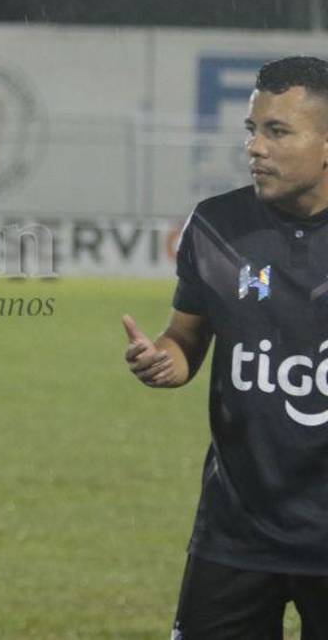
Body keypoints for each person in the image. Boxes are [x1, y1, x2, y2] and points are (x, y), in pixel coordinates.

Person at [124, 56, 328, 639]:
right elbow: (186, 336)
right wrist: (165, 359)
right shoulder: (216, 227)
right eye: (251, 130)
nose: (255, 148)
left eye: (277, 131)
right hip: (237, 532)